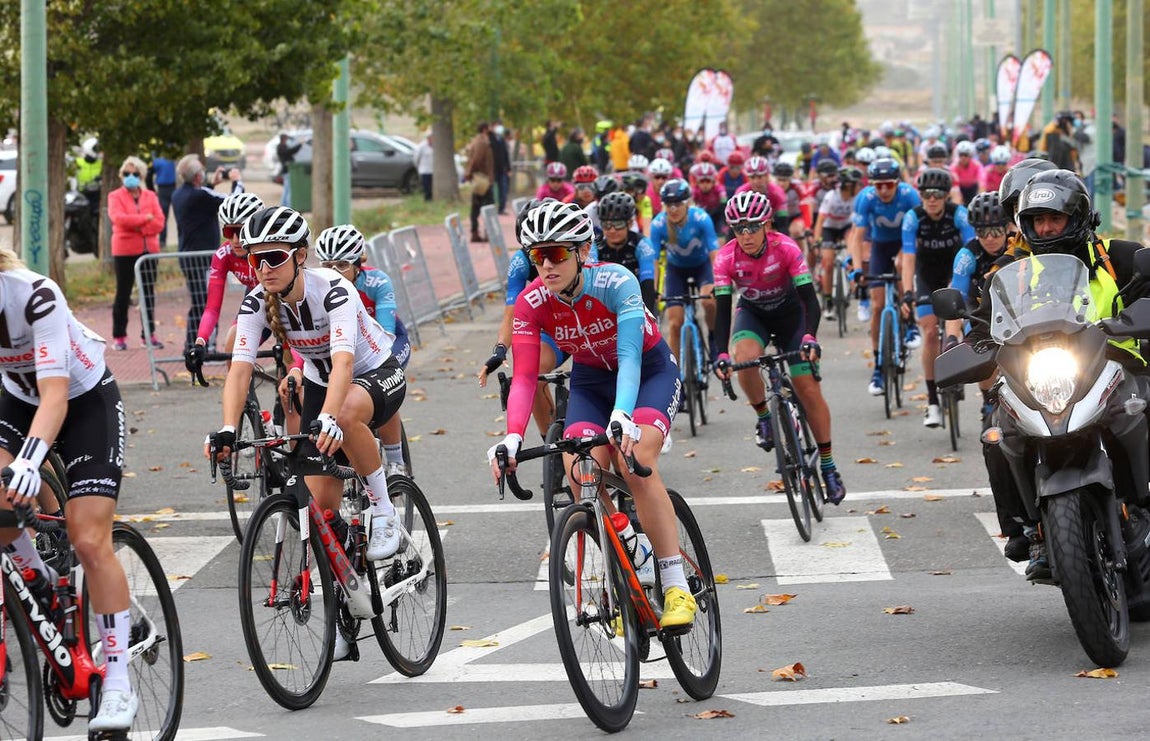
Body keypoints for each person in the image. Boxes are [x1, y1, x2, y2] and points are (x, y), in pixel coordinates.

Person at [488, 200, 697, 630]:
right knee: (579, 467)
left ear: (583, 251)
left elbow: (630, 355)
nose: (546, 265)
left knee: (633, 460)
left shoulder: (615, 282)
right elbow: (526, 376)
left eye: (557, 253)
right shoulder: (532, 303)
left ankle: (676, 585)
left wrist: (623, 414)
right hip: (591, 380)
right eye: (537, 255)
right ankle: (627, 548)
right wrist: (511, 437)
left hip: (648, 372)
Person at [963, 169, 1150, 578]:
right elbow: (982, 325)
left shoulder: (1119, 256)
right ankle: (1030, 529)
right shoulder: (1013, 273)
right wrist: (973, 346)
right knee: (999, 434)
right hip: (1051, 378)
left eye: (1055, 219)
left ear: (1077, 217)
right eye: (1037, 221)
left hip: (1121, 368)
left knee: (1142, 408)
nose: (1046, 228)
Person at [212, 206, 406, 572]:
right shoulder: (256, 302)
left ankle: (383, 509)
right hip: (322, 381)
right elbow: (239, 371)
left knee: (345, 417)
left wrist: (330, 417)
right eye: (256, 259)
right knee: (324, 508)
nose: (264, 268)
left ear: (300, 256)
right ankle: (348, 579)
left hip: (376, 372)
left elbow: (344, 364)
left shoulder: (334, 290)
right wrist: (226, 428)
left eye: (274, 257)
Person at [0, 248, 138, 732]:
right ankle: (36, 579)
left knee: (87, 538)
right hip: (16, 401)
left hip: (83, 403)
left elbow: (55, 396)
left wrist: (28, 464)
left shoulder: (35, 296)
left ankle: (119, 682)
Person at [711, 191, 846, 504]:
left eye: (752, 227)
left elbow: (810, 301)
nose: (745, 235)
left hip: (791, 315)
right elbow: (721, 310)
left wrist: (810, 336)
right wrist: (719, 355)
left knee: (807, 388)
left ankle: (828, 467)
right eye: (738, 228)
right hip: (754, 313)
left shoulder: (785, 247)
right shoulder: (726, 258)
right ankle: (763, 416)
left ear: (767, 224)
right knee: (743, 359)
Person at [316, 225, 412, 477]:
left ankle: (395, 460)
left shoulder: (377, 282)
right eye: (327, 266)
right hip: (347, 347)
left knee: (383, 384)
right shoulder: (318, 289)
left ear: (360, 263)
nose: (333, 272)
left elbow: (385, 331)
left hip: (388, 343)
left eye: (341, 265)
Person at [479, 200, 571, 437]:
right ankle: (551, 443)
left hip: (589, 324)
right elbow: (512, 313)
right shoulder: (520, 262)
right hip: (552, 330)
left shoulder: (577, 251)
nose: (543, 259)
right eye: (533, 250)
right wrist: (500, 349)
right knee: (533, 374)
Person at [899, 168, 975, 427]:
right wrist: (907, 292)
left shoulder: (959, 215)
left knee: (959, 324)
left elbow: (971, 251)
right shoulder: (913, 218)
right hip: (927, 277)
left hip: (956, 274)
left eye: (938, 194)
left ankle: (956, 362)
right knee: (930, 332)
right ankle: (932, 401)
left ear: (946, 196)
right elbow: (908, 258)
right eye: (926, 194)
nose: (932, 199)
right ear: (920, 195)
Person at [848, 158, 922, 395]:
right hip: (880, 245)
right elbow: (857, 238)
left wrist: (905, 252)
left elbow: (920, 232)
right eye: (878, 185)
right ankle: (878, 367)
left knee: (902, 266)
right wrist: (858, 268)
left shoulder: (910, 196)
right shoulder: (866, 198)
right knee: (878, 305)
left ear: (897, 183)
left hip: (905, 242)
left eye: (888, 185)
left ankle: (910, 323)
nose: (883, 190)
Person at [172, 154, 244, 353]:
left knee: (198, 302)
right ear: (197, 176)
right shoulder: (198, 195)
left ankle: (193, 345)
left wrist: (212, 185)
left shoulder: (179, 194)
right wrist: (237, 180)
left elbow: (206, 199)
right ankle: (205, 346)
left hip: (188, 256)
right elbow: (234, 201)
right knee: (207, 303)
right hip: (202, 259)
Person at [185, 191, 266, 361]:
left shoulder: (269, 251)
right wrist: (200, 343)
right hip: (255, 298)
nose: (235, 239)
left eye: (240, 231)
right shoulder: (223, 255)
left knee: (290, 361)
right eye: (229, 232)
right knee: (232, 347)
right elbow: (212, 308)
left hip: (285, 301)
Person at [649, 178, 720, 364]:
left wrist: (720, 283)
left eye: (678, 204)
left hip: (701, 267)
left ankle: (713, 337)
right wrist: (654, 290)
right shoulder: (658, 224)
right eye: (669, 205)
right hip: (676, 271)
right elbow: (654, 261)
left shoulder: (701, 218)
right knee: (674, 323)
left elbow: (714, 254)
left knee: (710, 302)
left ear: (687, 202)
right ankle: (675, 373)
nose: (673, 209)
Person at [109, 155, 165, 351]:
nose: (130, 176)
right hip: (124, 251)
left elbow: (159, 222)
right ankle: (119, 336)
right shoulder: (115, 196)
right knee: (123, 294)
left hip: (148, 251)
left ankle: (149, 334)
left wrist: (140, 227)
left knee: (148, 294)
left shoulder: (150, 196)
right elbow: (118, 219)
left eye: (134, 173)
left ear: (141, 175)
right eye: (126, 173)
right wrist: (144, 219)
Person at [593, 192, 658, 314]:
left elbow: (648, 284)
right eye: (606, 225)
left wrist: (645, 317)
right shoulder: (595, 245)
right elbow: (590, 283)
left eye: (618, 224)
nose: (612, 230)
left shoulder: (642, 243)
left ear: (629, 223)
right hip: (606, 301)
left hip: (638, 298)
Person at [813, 167, 863, 319]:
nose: (859, 186)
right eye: (857, 184)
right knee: (828, 263)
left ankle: (853, 282)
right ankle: (828, 300)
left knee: (852, 247)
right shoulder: (831, 197)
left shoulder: (857, 198)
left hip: (846, 227)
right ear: (848, 185)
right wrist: (817, 242)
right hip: (829, 228)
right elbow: (820, 221)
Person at [464, 122, 495, 242]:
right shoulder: (481, 142)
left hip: (482, 178)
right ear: (485, 129)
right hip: (483, 179)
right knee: (486, 207)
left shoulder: (482, 141)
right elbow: (476, 159)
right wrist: (470, 173)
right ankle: (481, 232)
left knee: (477, 206)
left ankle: (476, 231)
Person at [147, 153, 177, 248]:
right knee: (176, 216)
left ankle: (162, 242)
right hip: (171, 188)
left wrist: (151, 189)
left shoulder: (156, 161)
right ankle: (164, 241)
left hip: (163, 190)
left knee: (163, 217)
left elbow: (148, 177)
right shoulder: (173, 158)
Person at [275, 133, 302, 207]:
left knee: (286, 189)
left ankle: (284, 205)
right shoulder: (282, 148)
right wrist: (300, 144)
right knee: (289, 190)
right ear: (284, 139)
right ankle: (287, 206)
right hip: (287, 171)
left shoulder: (281, 147)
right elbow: (291, 151)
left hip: (286, 171)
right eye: (287, 139)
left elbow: (291, 151)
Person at [491, 121, 512, 215]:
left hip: (502, 169)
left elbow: (505, 154)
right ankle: (491, 208)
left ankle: (501, 208)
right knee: (491, 191)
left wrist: (508, 168)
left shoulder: (502, 139)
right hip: (492, 169)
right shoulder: (490, 138)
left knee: (503, 190)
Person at [413, 132, 434, 202]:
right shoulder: (421, 146)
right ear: (428, 138)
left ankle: (431, 198)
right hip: (424, 170)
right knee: (426, 186)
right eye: (431, 138)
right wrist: (418, 166)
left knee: (432, 186)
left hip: (433, 170)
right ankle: (427, 199)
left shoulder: (435, 146)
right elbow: (416, 158)